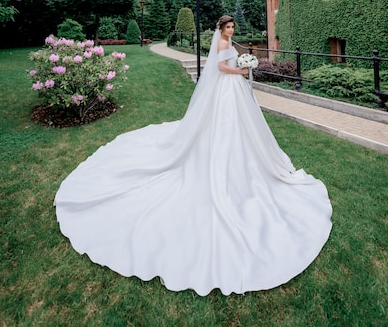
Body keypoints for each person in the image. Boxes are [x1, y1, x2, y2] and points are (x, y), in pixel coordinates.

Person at [54, 15, 332, 296]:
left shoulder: (228, 41)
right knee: (221, 126)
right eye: (228, 27)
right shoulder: (221, 42)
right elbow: (221, 67)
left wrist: (245, 62)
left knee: (242, 126)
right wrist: (241, 69)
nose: (231, 30)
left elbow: (230, 60)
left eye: (233, 27)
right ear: (221, 29)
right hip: (228, 87)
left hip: (234, 90)